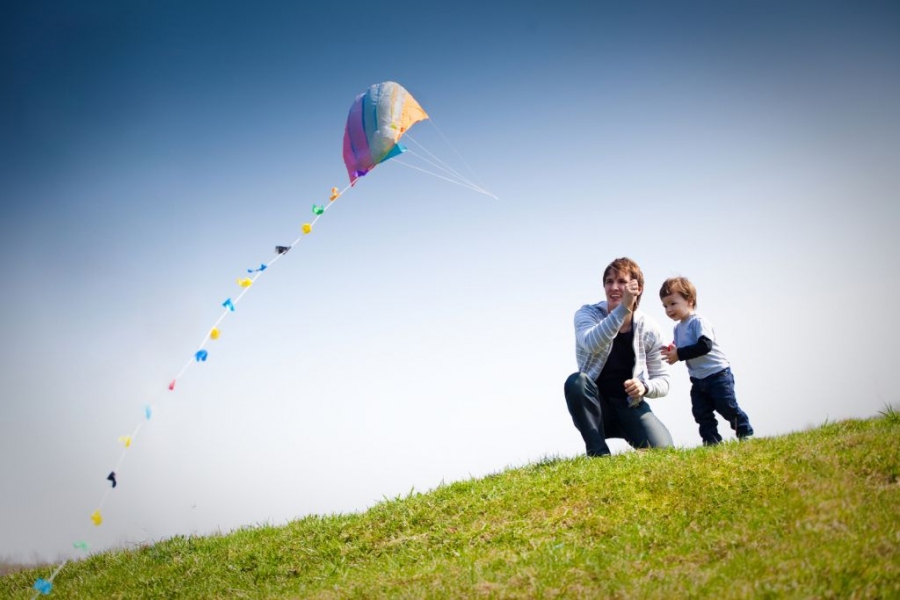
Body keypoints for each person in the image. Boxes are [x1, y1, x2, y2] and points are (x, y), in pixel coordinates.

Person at [564, 257, 674, 457]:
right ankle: (599, 454)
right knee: (576, 382)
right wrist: (623, 309)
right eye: (609, 282)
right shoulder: (587, 314)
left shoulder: (649, 328)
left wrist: (645, 387)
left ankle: (635, 435)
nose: (614, 287)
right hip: (597, 406)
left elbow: (664, 380)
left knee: (664, 452)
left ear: (637, 288)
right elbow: (591, 342)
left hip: (629, 405)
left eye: (621, 282)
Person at [659, 276, 754, 445]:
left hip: (718, 375)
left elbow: (705, 345)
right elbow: (680, 345)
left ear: (689, 301)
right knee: (701, 412)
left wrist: (679, 354)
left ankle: (745, 432)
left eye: (673, 303)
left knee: (727, 407)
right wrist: (672, 350)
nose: (669, 309)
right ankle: (711, 441)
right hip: (698, 379)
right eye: (665, 306)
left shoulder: (698, 321)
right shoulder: (677, 327)